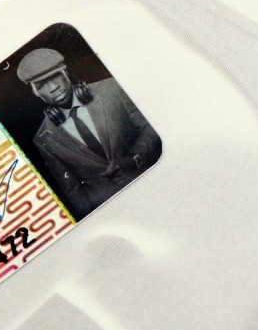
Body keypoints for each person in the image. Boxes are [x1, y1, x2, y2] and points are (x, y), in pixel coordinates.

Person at [16, 46, 161, 218]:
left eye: (55, 76)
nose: (53, 87)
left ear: (66, 72)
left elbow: (150, 128)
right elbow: (73, 191)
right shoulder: (44, 138)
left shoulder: (111, 88)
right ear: (34, 92)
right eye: (41, 85)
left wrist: (134, 159)